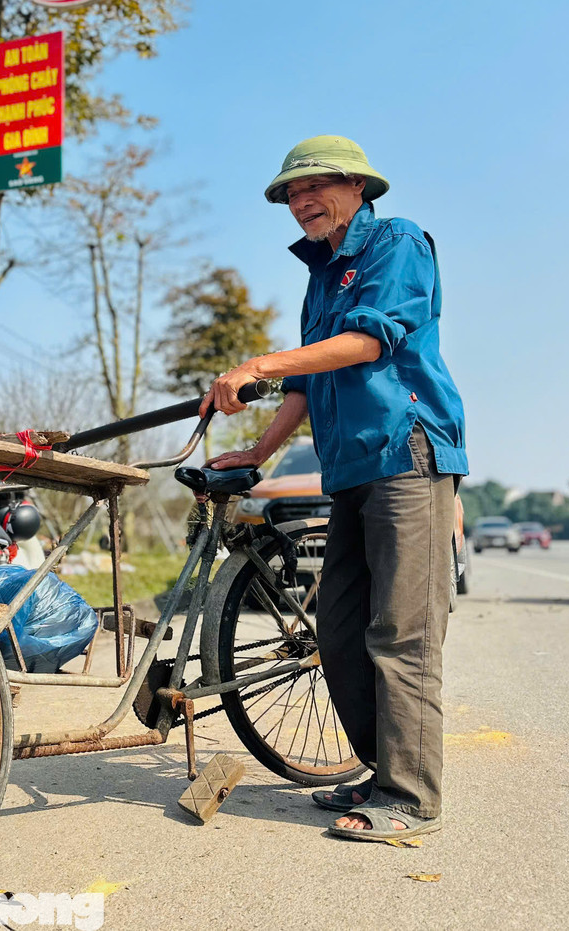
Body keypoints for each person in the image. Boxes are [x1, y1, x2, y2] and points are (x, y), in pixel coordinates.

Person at [201, 135, 468, 842]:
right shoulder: (320, 276)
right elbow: (307, 381)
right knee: (341, 633)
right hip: (349, 468)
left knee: (400, 633)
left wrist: (257, 362)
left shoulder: (398, 243)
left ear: (357, 186)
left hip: (406, 454)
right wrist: (257, 450)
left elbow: (369, 342)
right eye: (290, 193)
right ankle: (383, 768)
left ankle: (411, 797)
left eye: (312, 187)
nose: (300, 202)